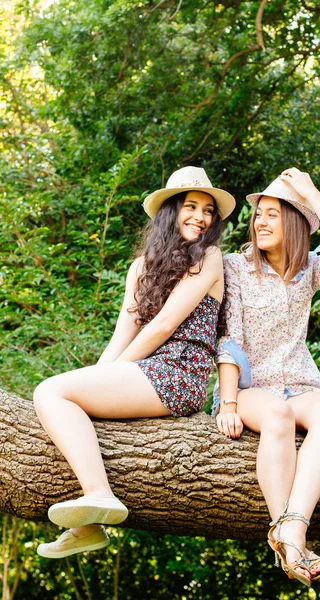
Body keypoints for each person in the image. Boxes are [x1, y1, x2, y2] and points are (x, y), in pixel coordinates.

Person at [34, 166, 235, 559]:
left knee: (50, 391)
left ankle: (99, 494)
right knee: (70, 399)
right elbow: (124, 330)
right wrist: (95, 376)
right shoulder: (140, 266)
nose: (200, 217)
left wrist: (106, 376)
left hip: (179, 373)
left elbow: (162, 326)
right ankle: (88, 526)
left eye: (208, 210)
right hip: (143, 373)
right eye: (190, 206)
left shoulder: (210, 257)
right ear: (169, 211)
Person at [215, 167, 320, 587]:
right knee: (277, 414)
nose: (259, 221)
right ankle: (287, 532)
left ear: (295, 222)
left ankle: (291, 531)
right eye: (257, 214)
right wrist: (227, 402)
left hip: (300, 384)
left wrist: (311, 191)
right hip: (248, 389)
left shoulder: (309, 271)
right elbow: (230, 339)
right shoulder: (236, 267)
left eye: (272, 214)